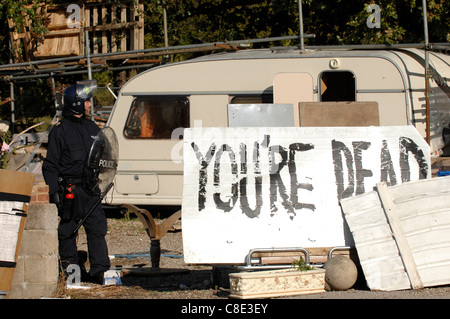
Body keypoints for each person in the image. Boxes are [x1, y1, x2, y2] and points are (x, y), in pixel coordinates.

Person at [42, 81, 110, 284]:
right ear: (78, 103)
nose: (90, 105)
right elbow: (50, 165)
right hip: (69, 189)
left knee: (97, 228)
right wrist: (54, 193)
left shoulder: (92, 128)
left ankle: (99, 271)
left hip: (90, 188)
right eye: (88, 101)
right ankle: (71, 273)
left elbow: (104, 157)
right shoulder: (59, 131)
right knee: (67, 231)